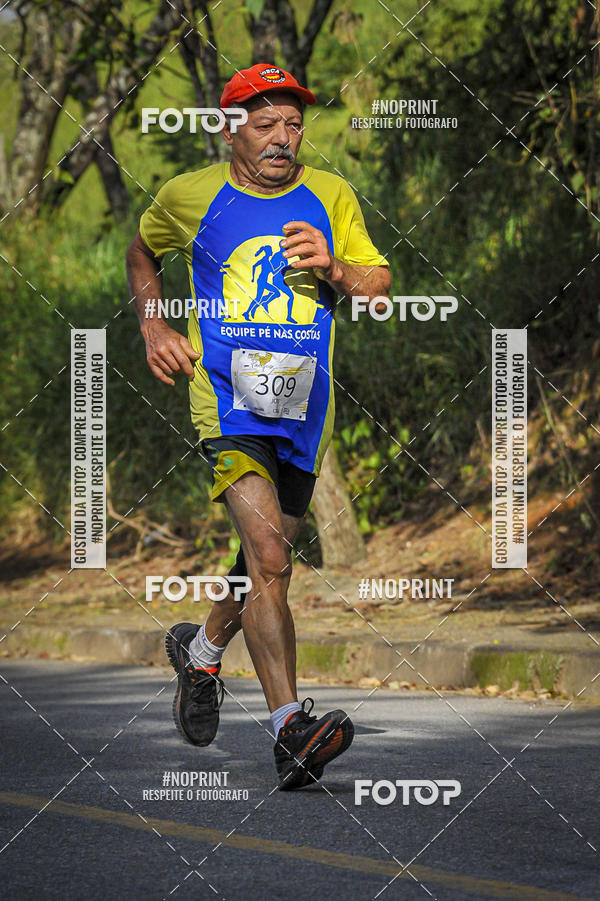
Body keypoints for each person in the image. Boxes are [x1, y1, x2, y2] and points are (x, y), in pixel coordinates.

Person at [126, 63, 391, 790]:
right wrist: (154, 326)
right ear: (229, 127)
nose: (282, 139)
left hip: (306, 407)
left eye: (293, 124)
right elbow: (142, 251)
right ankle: (290, 732)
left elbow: (377, 282)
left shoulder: (330, 195)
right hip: (228, 402)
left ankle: (203, 651)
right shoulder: (191, 196)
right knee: (271, 553)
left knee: (263, 562)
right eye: (265, 124)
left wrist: (336, 266)